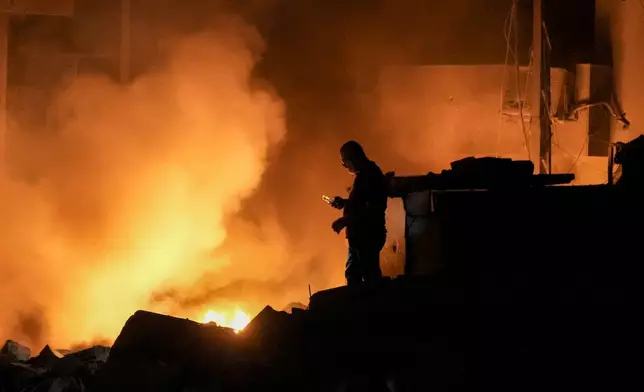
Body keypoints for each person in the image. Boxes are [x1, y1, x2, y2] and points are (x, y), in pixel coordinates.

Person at [328, 141, 388, 286]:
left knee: (368, 279)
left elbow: (372, 211)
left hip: (366, 238)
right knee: (354, 275)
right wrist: (345, 203)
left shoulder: (370, 176)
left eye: (344, 161)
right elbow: (361, 204)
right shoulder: (365, 175)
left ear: (353, 158)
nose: (344, 166)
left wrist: (345, 220)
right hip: (358, 239)